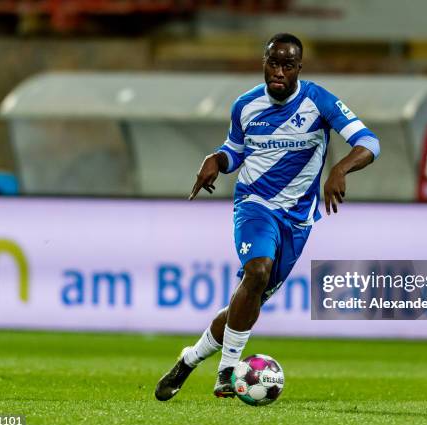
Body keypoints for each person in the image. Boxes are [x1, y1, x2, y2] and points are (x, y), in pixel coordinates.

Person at [155, 33, 380, 401]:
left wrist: (340, 168)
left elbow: (370, 142)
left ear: (298, 69)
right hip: (254, 204)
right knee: (257, 271)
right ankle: (227, 372)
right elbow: (235, 150)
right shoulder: (245, 105)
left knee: (247, 299)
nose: (278, 72)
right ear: (264, 62)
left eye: (287, 65)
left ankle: (189, 359)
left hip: (297, 218)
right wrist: (217, 160)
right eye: (272, 63)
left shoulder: (318, 100)